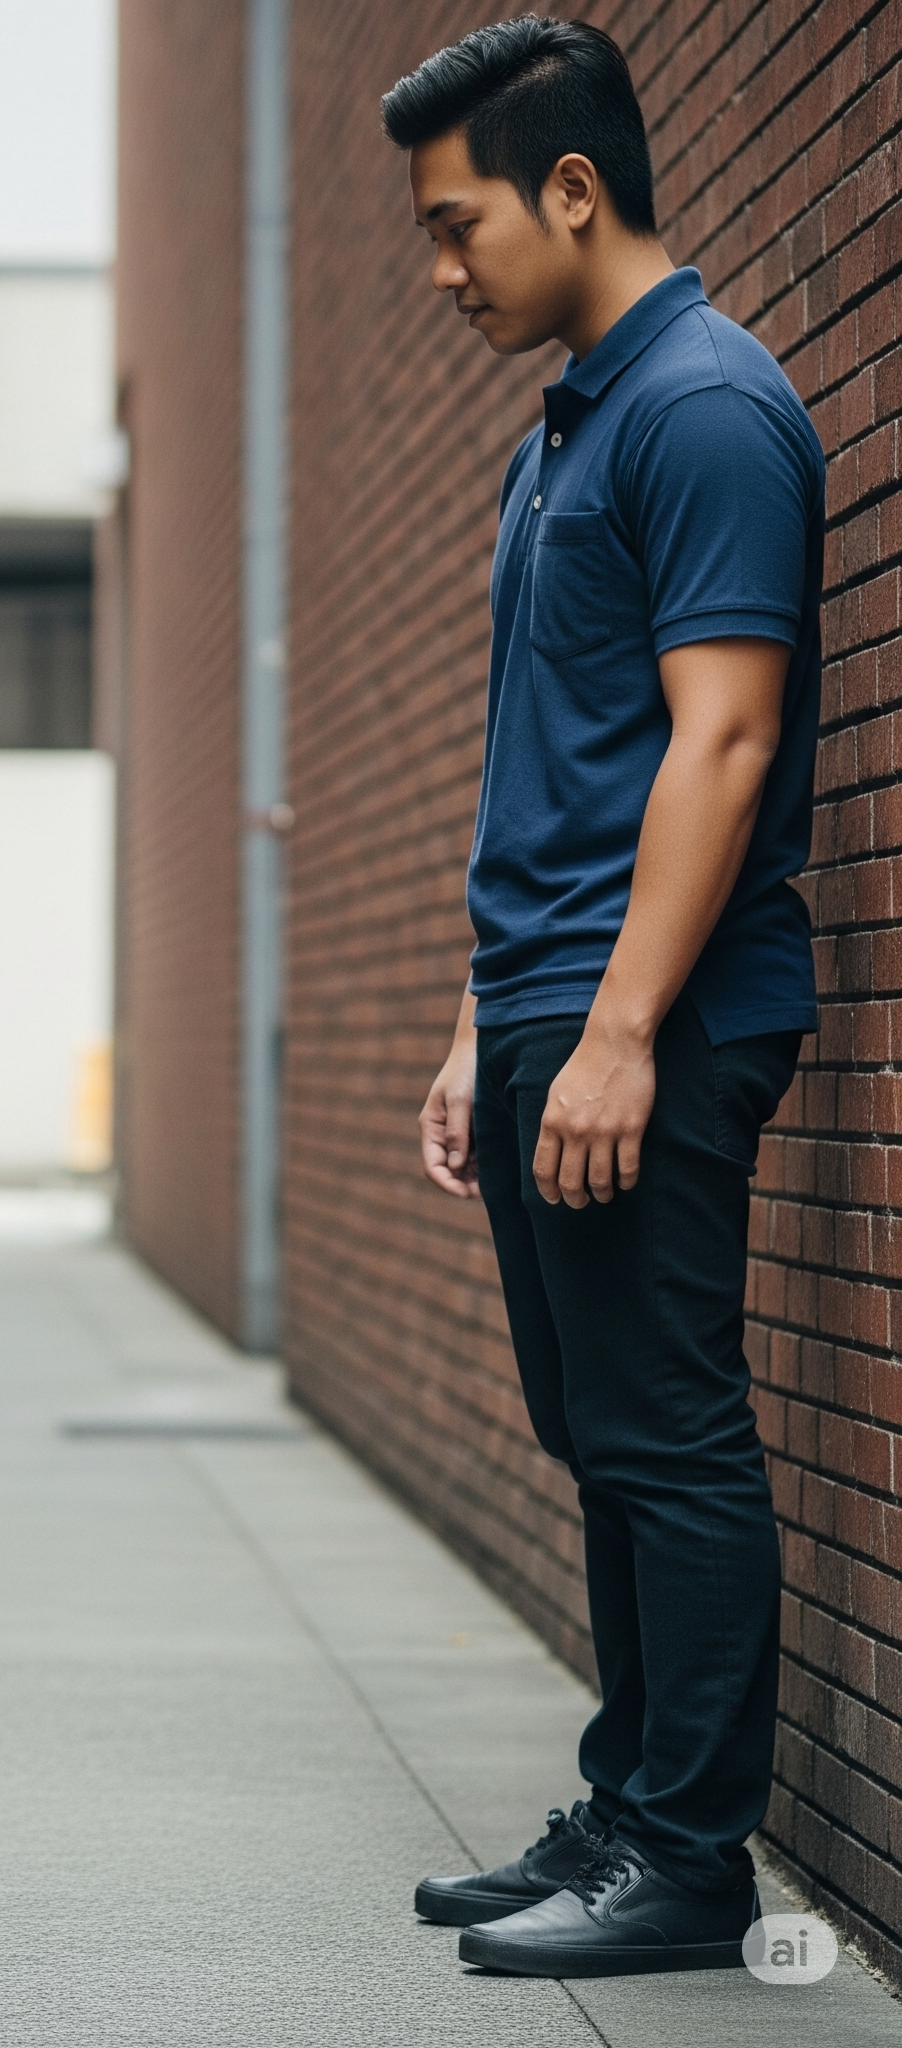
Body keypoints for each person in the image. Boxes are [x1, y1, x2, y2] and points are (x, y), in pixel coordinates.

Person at [390, 20, 824, 1978]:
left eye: (456, 220)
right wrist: (493, 1018)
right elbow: (549, 753)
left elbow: (718, 745)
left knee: (665, 1425)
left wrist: (625, 1024)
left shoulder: (705, 407)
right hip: (553, 1005)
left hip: (655, 1016)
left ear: (573, 190)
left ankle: (687, 1852)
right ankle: (630, 1798)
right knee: (599, 1429)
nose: (439, 266)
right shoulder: (565, 424)